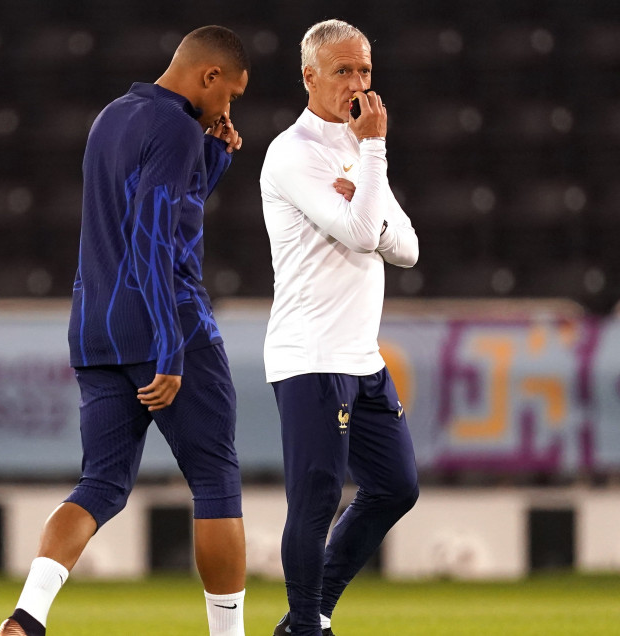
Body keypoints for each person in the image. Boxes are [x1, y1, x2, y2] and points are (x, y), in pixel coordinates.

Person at [0, 25, 250, 636]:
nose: (228, 108)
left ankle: (27, 616)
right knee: (216, 481)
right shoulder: (177, 127)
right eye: (231, 94)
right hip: (168, 326)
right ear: (208, 76)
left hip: (94, 329)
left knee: (100, 484)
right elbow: (154, 236)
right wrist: (169, 346)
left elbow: (150, 210)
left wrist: (213, 158)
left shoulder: (112, 116)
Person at [259, 19, 420, 636]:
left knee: (396, 486)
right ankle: (306, 625)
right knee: (317, 501)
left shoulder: (357, 148)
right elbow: (360, 233)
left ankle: (309, 614)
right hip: (312, 354)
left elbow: (406, 247)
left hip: (361, 356)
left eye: (365, 71)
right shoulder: (292, 153)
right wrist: (374, 160)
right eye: (343, 71)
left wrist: (367, 186)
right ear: (309, 77)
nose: (357, 84)